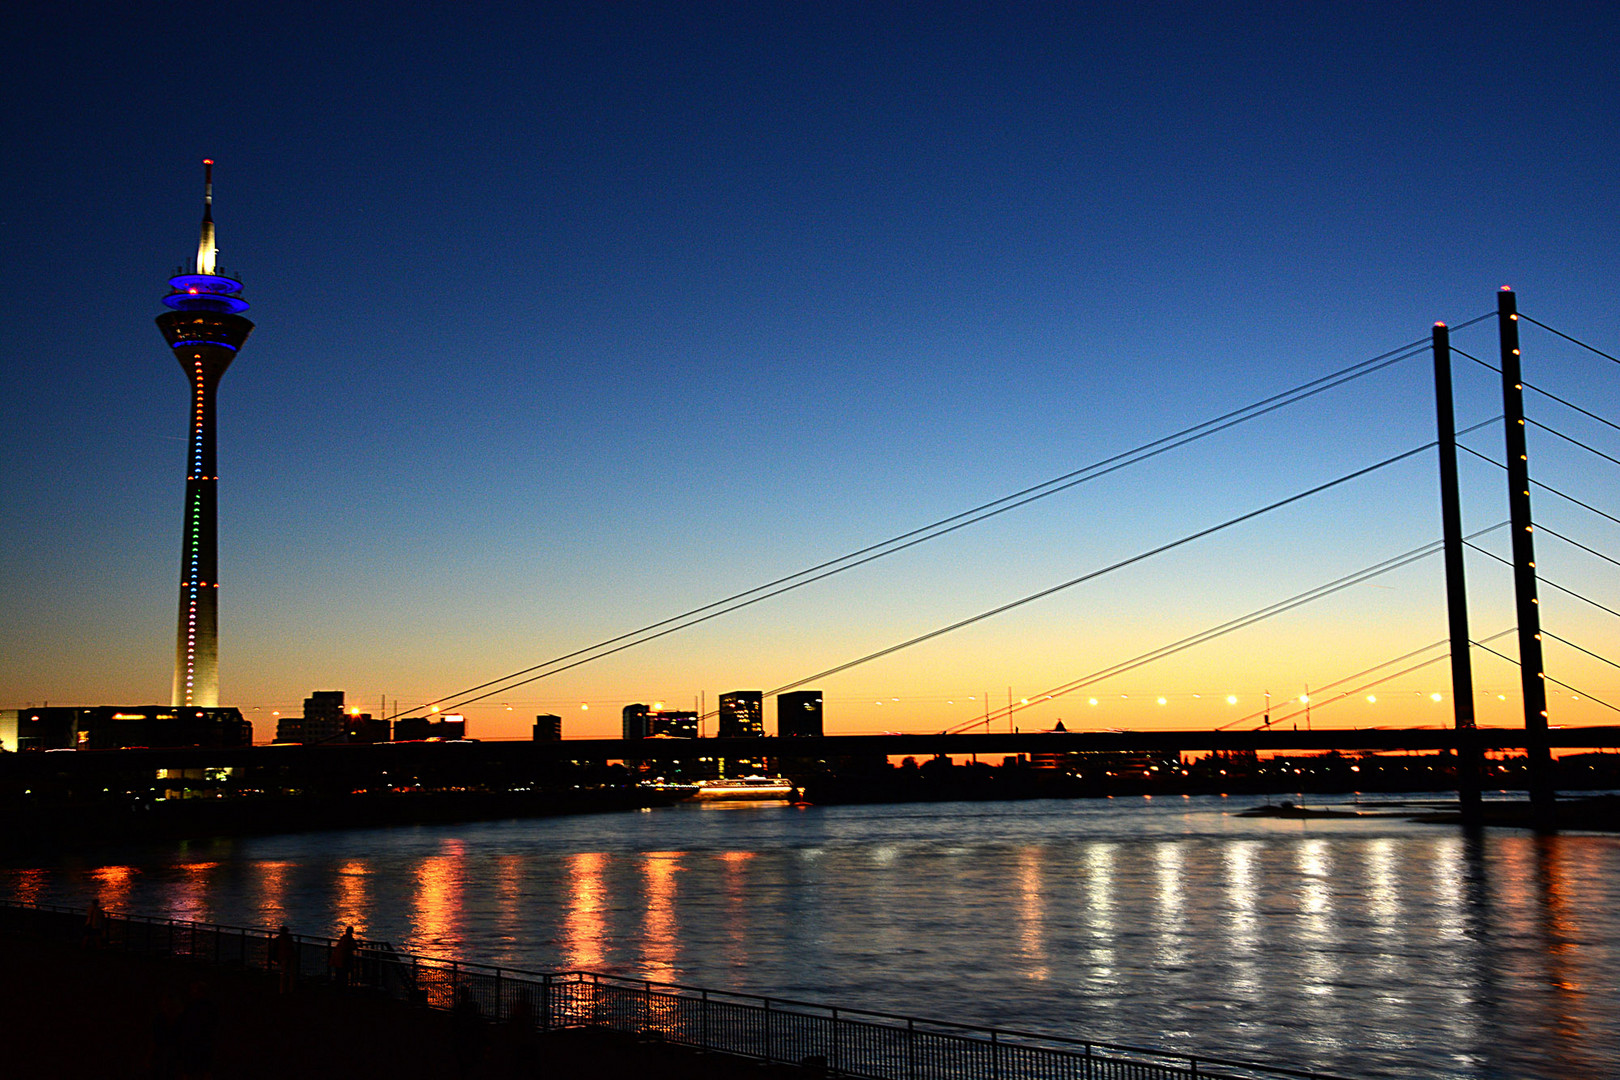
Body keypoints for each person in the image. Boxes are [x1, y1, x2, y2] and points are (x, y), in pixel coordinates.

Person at [273, 925, 299, 994]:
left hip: (283, 957)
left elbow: (275, 948)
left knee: (283, 974)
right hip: (289, 957)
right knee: (291, 973)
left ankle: (282, 989)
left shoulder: (278, 939)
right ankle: (291, 989)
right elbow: (291, 947)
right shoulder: (289, 938)